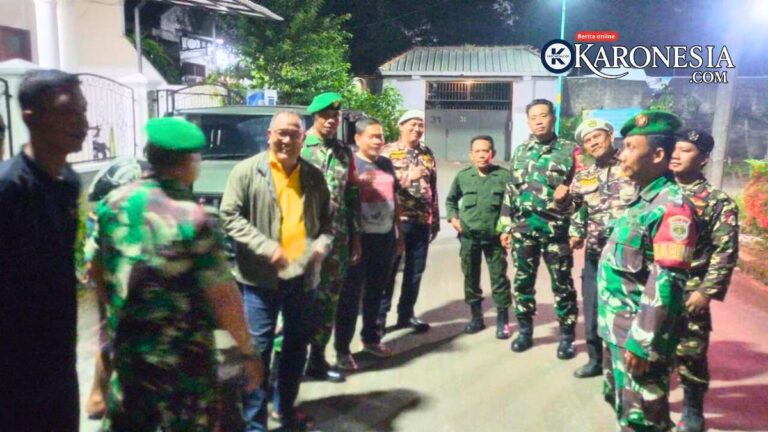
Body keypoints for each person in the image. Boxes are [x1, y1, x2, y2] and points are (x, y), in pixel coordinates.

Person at [88, 117, 262, 431]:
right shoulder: (195, 218)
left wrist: (116, 311)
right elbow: (223, 297)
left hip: (130, 358)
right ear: (188, 162)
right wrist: (249, 351)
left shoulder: (112, 204)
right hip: (182, 369)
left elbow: (94, 268)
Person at [220, 110, 333, 431]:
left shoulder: (313, 176)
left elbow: (327, 222)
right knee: (257, 351)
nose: (286, 139)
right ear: (269, 135)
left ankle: (284, 409)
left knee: (296, 346)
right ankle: (254, 423)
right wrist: (267, 247)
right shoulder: (246, 172)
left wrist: (322, 244)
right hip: (260, 279)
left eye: (294, 134)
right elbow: (229, 216)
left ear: (303, 138)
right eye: (281, 133)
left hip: (303, 278)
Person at [599, 110, 698, 431]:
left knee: (643, 421)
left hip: (638, 339)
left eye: (631, 147)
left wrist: (642, 343)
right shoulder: (642, 201)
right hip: (618, 331)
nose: (622, 154)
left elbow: (667, 281)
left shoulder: (671, 207)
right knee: (626, 411)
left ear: (657, 155)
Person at [0, 69, 87, 432]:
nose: (80, 122)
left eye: (82, 111)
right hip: (13, 371)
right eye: (67, 111)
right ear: (30, 117)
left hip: (59, 360)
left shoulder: (68, 182)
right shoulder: (10, 189)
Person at [497, 98, 578, 358]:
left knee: (562, 285)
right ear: (528, 121)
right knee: (522, 283)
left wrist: (577, 228)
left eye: (544, 116)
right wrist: (505, 226)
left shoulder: (570, 151)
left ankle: (566, 337)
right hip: (523, 230)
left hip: (557, 231)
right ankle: (525, 331)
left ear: (553, 117)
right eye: (534, 117)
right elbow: (510, 191)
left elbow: (583, 192)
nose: (539, 121)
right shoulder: (521, 151)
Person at [670, 129, 739, 432]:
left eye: (685, 150)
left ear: (703, 159)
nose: (676, 155)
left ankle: (692, 407)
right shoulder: (655, 191)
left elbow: (725, 252)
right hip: (651, 286)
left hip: (689, 289)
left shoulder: (717, 201)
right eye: (674, 149)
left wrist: (705, 292)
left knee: (690, 352)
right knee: (649, 346)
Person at [567, 118, 638, 378]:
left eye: (597, 136)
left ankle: (627, 365)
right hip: (596, 253)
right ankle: (596, 359)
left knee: (627, 310)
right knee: (593, 308)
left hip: (629, 255)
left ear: (610, 135)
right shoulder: (584, 176)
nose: (593, 143)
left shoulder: (632, 167)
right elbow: (578, 208)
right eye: (588, 140)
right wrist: (575, 230)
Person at [299, 91, 361, 383]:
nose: (331, 121)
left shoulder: (344, 152)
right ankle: (285, 364)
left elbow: (351, 194)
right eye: (325, 116)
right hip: (302, 239)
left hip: (337, 240)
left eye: (335, 116)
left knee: (328, 301)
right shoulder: (299, 147)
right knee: (296, 300)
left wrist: (356, 237)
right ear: (315, 117)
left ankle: (317, 360)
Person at [334, 118, 403, 369]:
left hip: (385, 237)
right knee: (351, 296)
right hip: (359, 240)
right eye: (372, 136)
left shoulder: (386, 163)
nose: (378, 141)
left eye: (380, 136)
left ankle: (371, 339)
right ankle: (342, 349)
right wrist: (352, 240)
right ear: (358, 138)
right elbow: (344, 203)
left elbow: (394, 198)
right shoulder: (350, 164)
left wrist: (399, 233)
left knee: (377, 292)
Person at [83, 157, 144, 419]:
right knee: (112, 338)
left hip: (110, 285)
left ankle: (98, 397)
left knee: (107, 336)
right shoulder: (112, 212)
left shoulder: (105, 211)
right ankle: (101, 397)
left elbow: (91, 262)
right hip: (118, 288)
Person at [445, 135, 513, 339]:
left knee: (499, 279)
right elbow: (450, 200)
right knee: (471, 277)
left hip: (494, 238)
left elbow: (512, 205)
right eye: (478, 151)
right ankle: (476, 318)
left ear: (493, 153)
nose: (482, 155)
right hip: (469, 237)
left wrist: (507, 229)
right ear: (471, 155)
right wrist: (453, 219)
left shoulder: (503, 176)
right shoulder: (463, 176)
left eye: (486, 151)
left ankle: (503, 321)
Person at [380, 109, 439, 333]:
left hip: (421, 221)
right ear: (401, 126)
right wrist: (407, 177)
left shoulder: (427, 153)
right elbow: (379, 185)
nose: (417, 129)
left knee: (415, 272)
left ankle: (406, 315)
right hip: (396, 221)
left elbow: (432, 187)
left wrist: (435, 220)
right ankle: (379, 320)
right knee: (389, 272)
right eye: (412, 124)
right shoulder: (387, 152)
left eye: (420, 125)